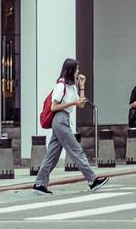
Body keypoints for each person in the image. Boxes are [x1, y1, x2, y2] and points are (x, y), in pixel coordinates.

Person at [33, 58, 109, 195]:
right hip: (60, 119)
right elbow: (53, 106)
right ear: (71, 70)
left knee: (52, 156)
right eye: (77, 69)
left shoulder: (71, 86)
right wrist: (71, 103)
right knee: (76, 150)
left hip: (64, 119)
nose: (78, 71)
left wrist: (82, 86)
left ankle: (40, 184)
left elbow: (80, 104)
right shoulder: (61, 86)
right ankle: (92, 180)